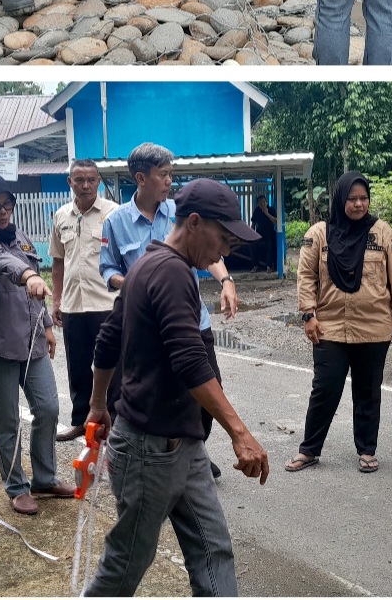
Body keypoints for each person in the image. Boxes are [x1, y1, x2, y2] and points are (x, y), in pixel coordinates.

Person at [83, 179, 269, 597]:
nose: (224, 252)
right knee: (126, 562)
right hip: (151, 449)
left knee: (213, 549)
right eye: (223, 239)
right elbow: (189, 361)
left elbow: (108, 340)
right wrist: (240, 432)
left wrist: (98, 405)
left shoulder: (147, 265)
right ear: (196, 223)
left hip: (183, 443)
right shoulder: (169, 273)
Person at [99, 142, 239, 479]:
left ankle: (194, 452)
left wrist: (226, 281)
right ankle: (162, 458)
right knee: (155, 392)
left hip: (191, 319)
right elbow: (107, 269)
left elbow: (212, 253)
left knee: (209, 386)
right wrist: (137, 282)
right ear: (141, 178)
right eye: (163, 175)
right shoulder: (116, 222)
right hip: (146, 322)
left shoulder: (182, 212)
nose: (168, 181)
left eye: (171, 174)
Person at [0, 173, 75, 516]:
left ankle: (45, 478)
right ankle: (17, 487)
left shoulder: (19, 237)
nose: (3, 212)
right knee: (7, 420)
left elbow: (33, 286)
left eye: (8, 204)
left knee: (48, 407)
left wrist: (48, 325)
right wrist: (27, 274)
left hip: (31, 338)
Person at [285, 172, 392, 474]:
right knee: (324, 388)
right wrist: (308, 315)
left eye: (363, 198)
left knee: (368, 391)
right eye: (352, 198)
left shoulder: (382, 233)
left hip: (374, 328)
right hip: (329, 326)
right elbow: (305, 277)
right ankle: (309, 450)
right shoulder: (319, 234)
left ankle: (367, 450)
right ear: (340, 200)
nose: (358, 204)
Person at [48, 159, 119, 442]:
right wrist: (56, 301)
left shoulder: (114, 214)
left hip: (107, 304)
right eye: (79, 180)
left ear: (99, 181)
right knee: (77, 366)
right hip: (74, 305)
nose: (86, 185)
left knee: (111, 365)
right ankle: (80, 421)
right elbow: (57, 263)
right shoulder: (61, 216)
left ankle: (113, 422)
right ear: (70, 183)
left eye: (91, 179)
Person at [251, 195, 278, 272]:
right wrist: (251, 235)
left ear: (266, 202)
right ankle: (255, 265)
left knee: (270, 245)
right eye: (260, 203)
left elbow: (276, 221)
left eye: (264, 202)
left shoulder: (271, 210)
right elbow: (253, 224)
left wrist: (267, 213)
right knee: (253, 244)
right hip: (259, 233)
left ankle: (269, 266)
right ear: (258, 204)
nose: (262, 204)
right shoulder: (257, 211)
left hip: (270, 233)